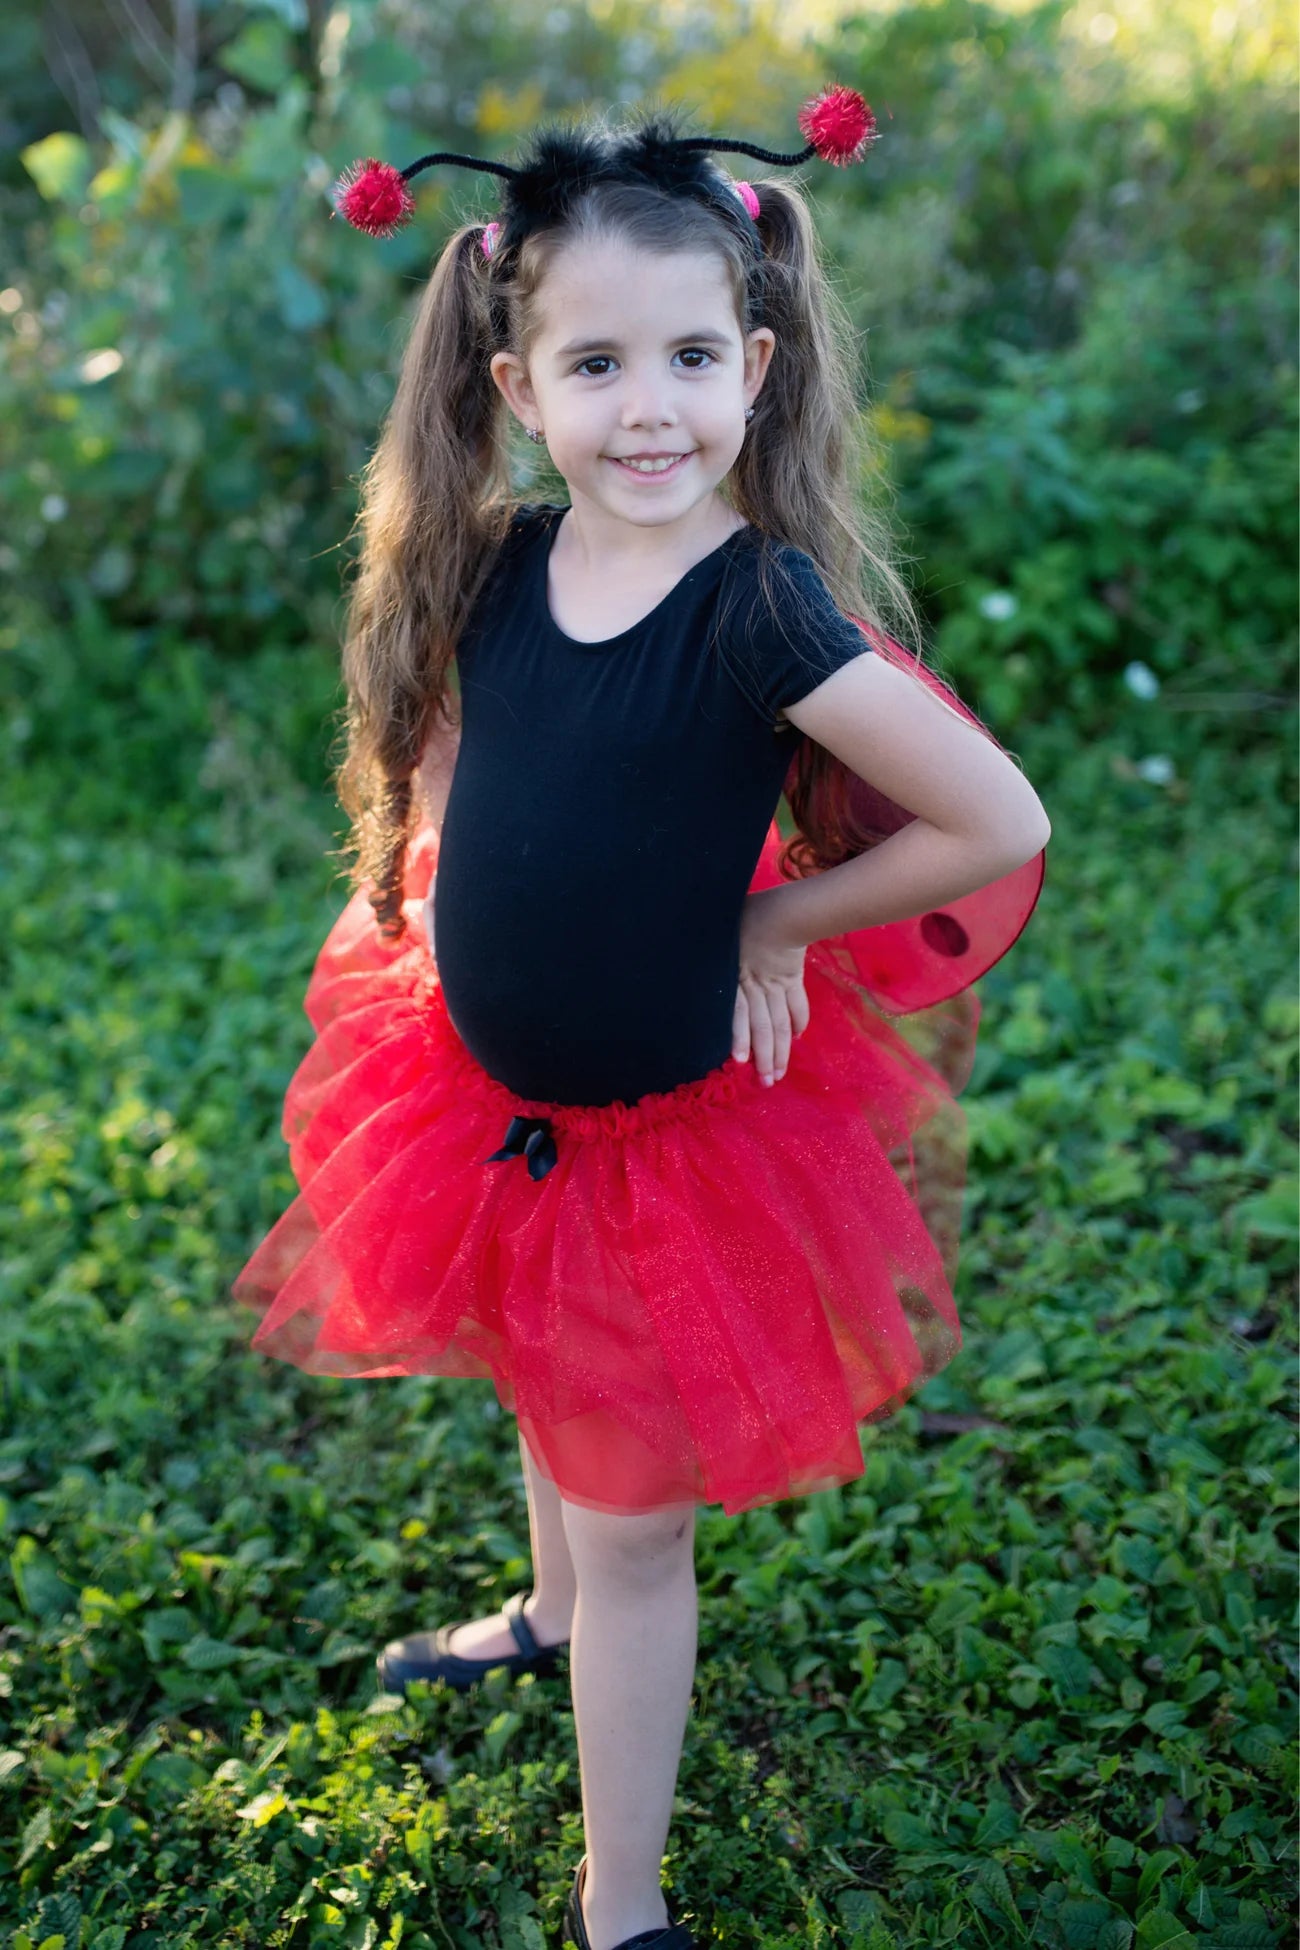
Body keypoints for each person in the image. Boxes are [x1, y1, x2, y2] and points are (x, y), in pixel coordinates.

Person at [233, 85, 1050, 1950]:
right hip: (486, 1088)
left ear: (758, 365)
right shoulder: (508, 563)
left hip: (675, 1130)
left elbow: (997, 819)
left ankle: (621, 1902)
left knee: (641, 1529)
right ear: (520, 389)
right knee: (544, 1366)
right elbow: (464, 759)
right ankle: (537, 1616)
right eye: (597, 363)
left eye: (691, 355)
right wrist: (441, 891)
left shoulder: (759, 609)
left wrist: (774, 907)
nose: (651, 405)